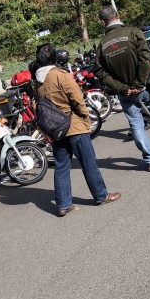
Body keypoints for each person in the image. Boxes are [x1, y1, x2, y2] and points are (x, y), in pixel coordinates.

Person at [94, 6, 150, 172]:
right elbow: (145, 59)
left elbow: (100, 71)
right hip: (145, 87)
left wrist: (122, 88)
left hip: (125, 93)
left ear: (103, 22)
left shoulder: (102, 45)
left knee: (136, 124)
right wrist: (139, 83)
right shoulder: (133, 32)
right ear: (117, 15)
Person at [34, 43, 121, 216]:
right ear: (55, 57)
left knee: (61, 167)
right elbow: (77, 98)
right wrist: (85, 117)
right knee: (89, 162)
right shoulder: (60, 75)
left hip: (55, 128)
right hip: (73, 125)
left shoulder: (37, 80)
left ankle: (63, 204)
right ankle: (101, 195)